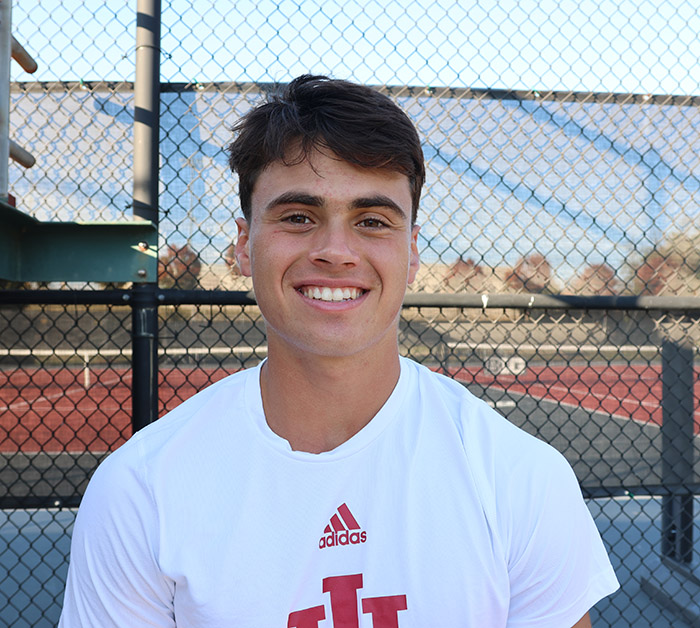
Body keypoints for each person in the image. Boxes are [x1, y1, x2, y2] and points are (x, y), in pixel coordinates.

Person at [59, 75, 619, 627]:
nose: (336, 251)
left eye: (372, 221)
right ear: (242, 244)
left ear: (413, 251)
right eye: (298, 217)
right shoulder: (140, 490)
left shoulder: (519, 478)